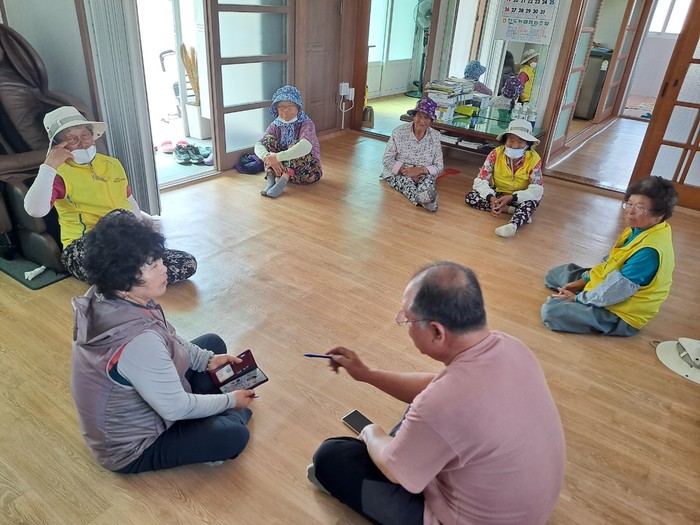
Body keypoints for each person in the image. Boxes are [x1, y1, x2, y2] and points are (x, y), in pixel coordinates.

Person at [309, 262, 566, 525]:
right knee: (420, 409)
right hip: (525, 511)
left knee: (331, 456)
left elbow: (392, 467)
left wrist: (370, 432)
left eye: (407, 319)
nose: (403, 322)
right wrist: (367, 374)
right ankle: (409, 451)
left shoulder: (443, 403)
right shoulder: (511, 346)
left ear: (436, 331)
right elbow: (433, 388)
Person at [70, 210, 255, 473]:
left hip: (149, 399)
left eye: (159, 260)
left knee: (212, 344)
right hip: (132, 446)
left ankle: (208, 408)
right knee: (234, 435)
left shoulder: (108, 295)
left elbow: (167, 336)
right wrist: (231, 402)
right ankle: (216, 414)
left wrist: (208, 360)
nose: (164, 268)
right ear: (123, 279)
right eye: (153, 265)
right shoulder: (137, 341)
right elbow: (175, 408)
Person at [23, 106, 197, 284]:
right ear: (58, 145)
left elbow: (128, 200)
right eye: (71, 139)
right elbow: (34, 210)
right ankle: (133, 278)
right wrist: (50, 165)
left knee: (186, 263)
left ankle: (127, 280)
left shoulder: (113, 164)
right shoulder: (57, 173)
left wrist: (143, 236)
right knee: (120, 217)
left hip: (124, 250)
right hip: (84, 251)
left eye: (85, 135)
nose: (82, 143)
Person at [542, 176, 677, 336]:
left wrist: (578, 298)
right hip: (611, 283)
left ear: (659, 215)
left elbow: (616, 291)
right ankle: (582, 296)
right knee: (554, 274)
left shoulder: (649, 251)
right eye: (629, 204)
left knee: (552, 311)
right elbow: (610, 262)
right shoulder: (639, 228)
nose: (630, 212)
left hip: (622, 310)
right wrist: (583, 281)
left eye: (640, 208)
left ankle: (584, 304)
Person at [465, 119, 543, 238]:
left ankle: (512, 226)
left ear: (527, 144)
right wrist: (491, 198)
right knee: (471, 197)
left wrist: (513, 197)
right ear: (505, 140)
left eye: (520, 142)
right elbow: (480, 179)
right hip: (499, 193)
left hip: (520, 196)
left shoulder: (534, 159)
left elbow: (537, 189)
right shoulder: (495, 154)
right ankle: (513, 210)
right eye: (511, 140)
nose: (515, 146)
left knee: (531, 202)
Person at [255, 85, 322, 198]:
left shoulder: (306, 123)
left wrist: (277, 157)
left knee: (297, 145)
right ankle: (271, 181)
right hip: (279, 170)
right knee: (268, 140)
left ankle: (282, 183)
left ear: (297, 107)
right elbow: (258, 144)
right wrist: (268, 157)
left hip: (305, 172)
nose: (285, 110)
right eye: (281, 106)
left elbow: (305, 147)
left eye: (290, 105)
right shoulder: (276, 124)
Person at [381, 98, 443, 212]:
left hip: (423, 172)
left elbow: (439, 166)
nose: (422, 121)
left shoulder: (435, 136)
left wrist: (419, 170)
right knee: (406, 183)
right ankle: (425, 201)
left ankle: (424, 199)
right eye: (419, 116)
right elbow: (387, 160)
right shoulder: (399, 132)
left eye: (427, 117)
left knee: (428, 180)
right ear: (413, 117)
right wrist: (406, 171)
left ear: (431, 121)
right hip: (400, 172)